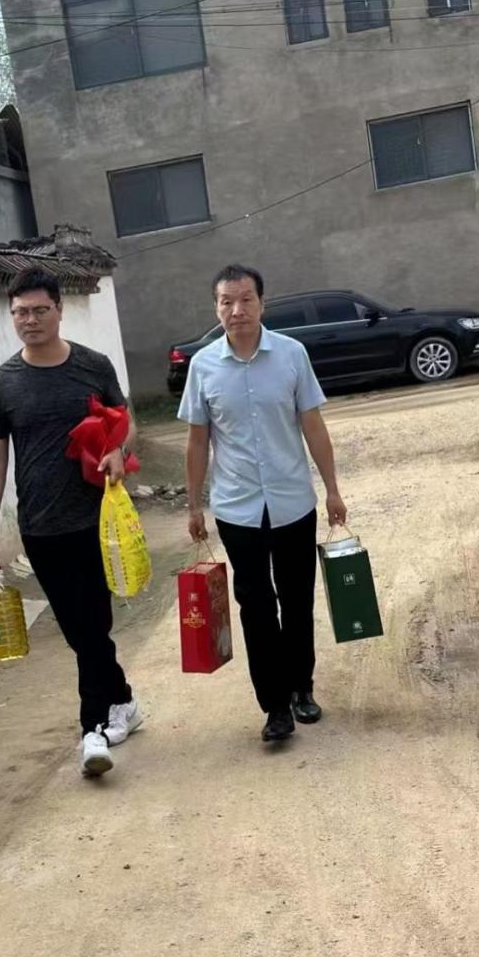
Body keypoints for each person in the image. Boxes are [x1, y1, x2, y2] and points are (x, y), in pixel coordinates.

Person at [0, 266, 142, 779]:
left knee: (92, 624)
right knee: (79, 631)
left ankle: (92, 730)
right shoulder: (4, 382)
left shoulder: (92, 365)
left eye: (39, 310)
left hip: (95, 519)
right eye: (20, 313)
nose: (29, 320)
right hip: (39, 525)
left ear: (59, 310)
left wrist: (118, 451)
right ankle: (124, 701)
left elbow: (125, 421)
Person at [179, 264, 347, 745]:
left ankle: (301, 687)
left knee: (296, 599)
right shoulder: (203, 366)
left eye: (246, 299)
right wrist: (194, 505)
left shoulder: (292, 355)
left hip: (293, 502)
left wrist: (332, 488)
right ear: (216, 308)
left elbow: (313, 425)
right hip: (238, 509)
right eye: (227, 302)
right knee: (255, 605)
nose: (237, 310)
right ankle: (274, 706)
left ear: (262, 303)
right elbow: (197, 441)